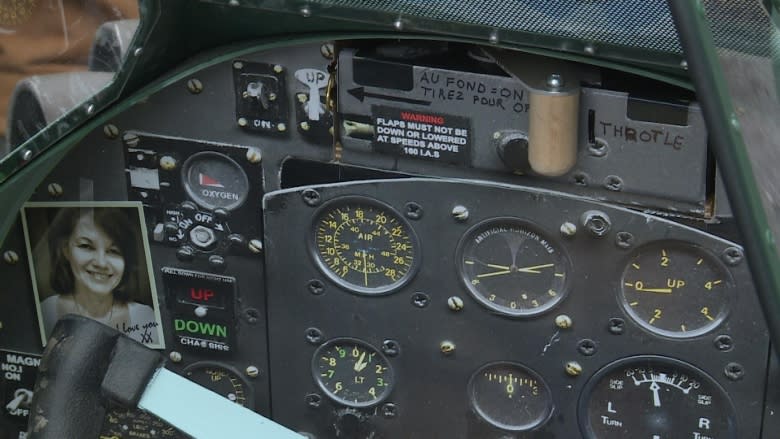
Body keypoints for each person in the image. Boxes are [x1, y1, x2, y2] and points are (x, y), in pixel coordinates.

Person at [39, 207, 158, 344]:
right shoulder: (45, 311)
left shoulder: (145, 317)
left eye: (114, 251)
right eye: (86, 246)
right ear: (66, 250)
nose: (101, 263)